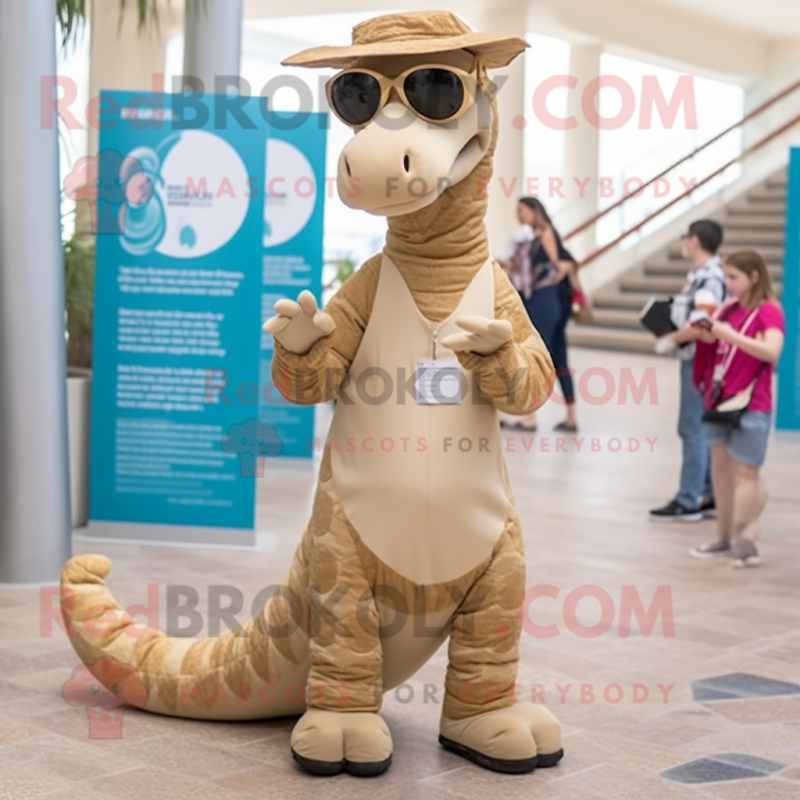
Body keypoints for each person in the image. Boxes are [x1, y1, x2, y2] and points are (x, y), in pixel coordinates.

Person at [688, 251, 785, 567]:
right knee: (722, 473)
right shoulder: (729, 309)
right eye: (726, 277)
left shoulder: (768, 311)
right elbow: (718, 344)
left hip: (752, 402)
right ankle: (724, 536)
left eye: (734, 277)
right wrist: (708, 334)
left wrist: (730, 336)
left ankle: (744, 540)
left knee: (746, 473)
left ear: (754, 277)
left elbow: (771, 351)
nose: (727, 283)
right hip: (720, 399)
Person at [650, 219, 726, 522]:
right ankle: (706, 493)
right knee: (700, 428)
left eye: (686, 238)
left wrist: (671, 338)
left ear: (695, 241)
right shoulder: (702, 277)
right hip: (699, 359)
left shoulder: (709, 279)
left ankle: (688, 498)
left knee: (691, 427)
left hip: (699, 361)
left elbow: (701, 324)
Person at [503, 197, 579, 432]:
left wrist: (557, 272)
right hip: (542, 300)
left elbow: (557, 265)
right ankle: (571, 417)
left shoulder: (544, 233)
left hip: (544, 300)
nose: (519, 214)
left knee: (534, 355)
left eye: (522, 210)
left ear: (534, 211)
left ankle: (530, 417)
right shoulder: (526, 239)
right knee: (559, 358)